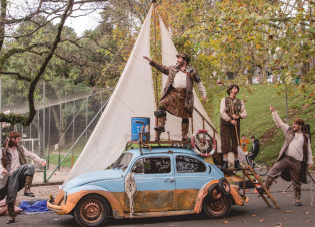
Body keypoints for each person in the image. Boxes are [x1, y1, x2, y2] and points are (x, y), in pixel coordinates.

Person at [143, 53, 207, 141]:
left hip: (186, 96)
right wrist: (151, 61)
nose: (177, 60)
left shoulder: (193, 71)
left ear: (184, 60)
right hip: (173, 94)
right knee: (161, 104)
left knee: (186, 115)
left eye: (179, 58)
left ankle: (184, 136)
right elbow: (161, 67)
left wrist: (204, 94)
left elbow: (199, 83)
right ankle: (161, 126)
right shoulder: (173, 69)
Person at [262, 106, 313, 206]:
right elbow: (280, 123)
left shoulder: (305, 137)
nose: (293, 125)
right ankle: (265, 188)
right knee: (273, 170)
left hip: (297, 161)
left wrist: (310, 162)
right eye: (294, 123)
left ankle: (297, 199)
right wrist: (274, 112)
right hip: (286, 159)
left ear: (301, 126)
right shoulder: (289, 131)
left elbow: (309, 150)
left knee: (296, 181)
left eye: (296, 124)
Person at [0, 131, 46, 224]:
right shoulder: (3, 149)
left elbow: (31, 154)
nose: (19, 141)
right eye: (18, 139)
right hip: (9, 175)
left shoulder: (20, 148)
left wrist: (41, 161)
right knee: (10, 197)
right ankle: (12, 217)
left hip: (19, 171)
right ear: (13, 139)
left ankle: (27, 190)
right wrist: (1, 169)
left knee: (30, 167)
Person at [220, 84, 247, 170]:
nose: (236, 91)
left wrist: (238, 117)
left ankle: (237, 162)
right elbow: (222, 112)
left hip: (236, 124)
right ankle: (225, 162)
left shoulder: (240, 102)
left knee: (236, 142)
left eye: (237, 89)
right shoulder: (224, 100)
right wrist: (230, 120)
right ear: (230, 90)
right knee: (225, 141)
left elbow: (244, 113)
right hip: (225, 124)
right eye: (234, 89)